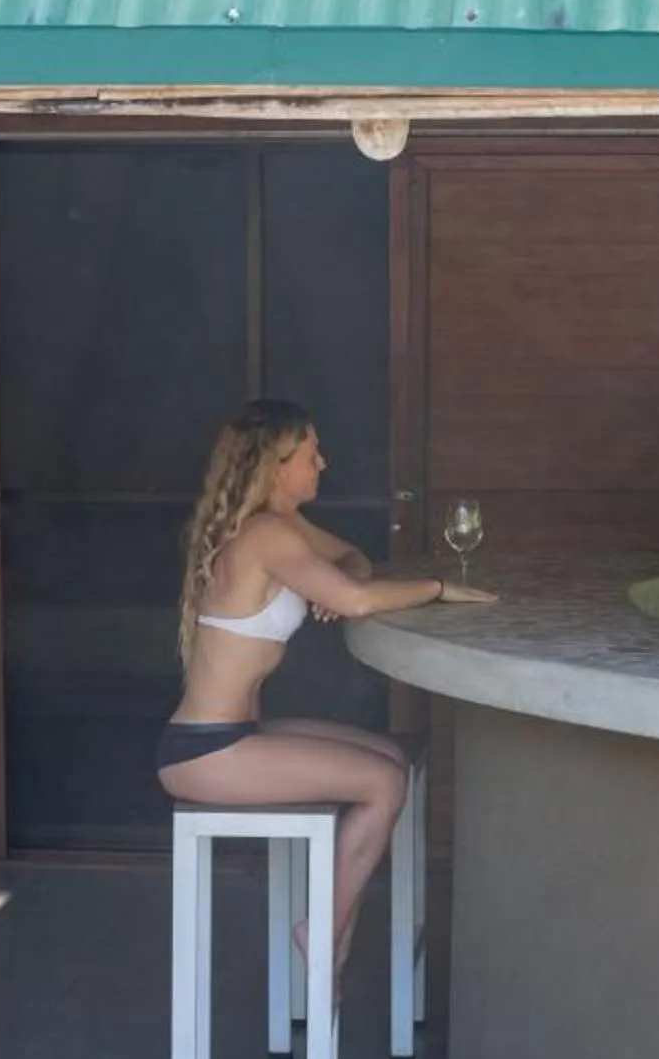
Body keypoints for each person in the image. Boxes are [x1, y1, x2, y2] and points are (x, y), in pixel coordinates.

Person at [159, 399, 494, 979]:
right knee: (383, 782)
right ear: (277, 465)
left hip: (238, 734)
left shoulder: (281, 524)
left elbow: (351, 562)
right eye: (311, 453)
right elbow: (356, 601)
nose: (323, 462)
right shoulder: (265, 534)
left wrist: (339, 581)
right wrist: (436, 588)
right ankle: (324, 935)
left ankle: (329, 934)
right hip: (207, 750)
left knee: (392, 756)